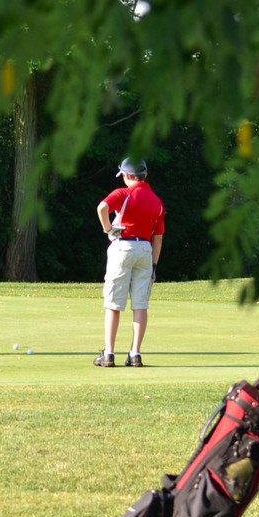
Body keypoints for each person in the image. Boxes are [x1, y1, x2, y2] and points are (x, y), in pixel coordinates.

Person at [94, 157, 165, 367]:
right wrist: (153, 266)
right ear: (145, 175)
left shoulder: (122, 193)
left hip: (123, 246)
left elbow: (102, 208)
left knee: (114, 303)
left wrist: (107, 229)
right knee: (140, 304)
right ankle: (135, 354)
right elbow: (158, 237)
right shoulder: (156, 201)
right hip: (145, 250)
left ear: (126, 176)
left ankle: (109, 354)